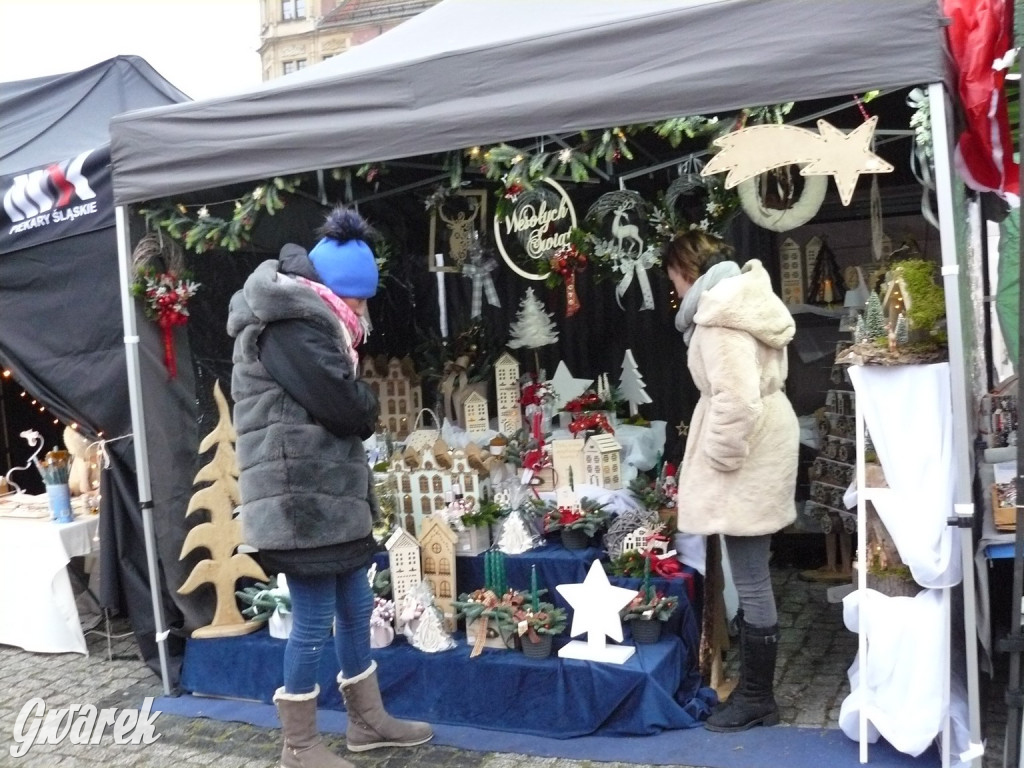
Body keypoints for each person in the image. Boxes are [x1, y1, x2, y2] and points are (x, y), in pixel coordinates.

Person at [227, 206, 432, 768]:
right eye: (358, 299)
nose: (363, 311)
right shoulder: (292, 324)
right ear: (329, 290)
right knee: (315, 614)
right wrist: (364, 404)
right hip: (301, 500)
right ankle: (299, 744)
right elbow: (346, 406)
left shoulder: (312, 321)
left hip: (325, 495)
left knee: (356, 600)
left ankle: (366, 721)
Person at [662, 229, 798, 733]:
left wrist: (718, 461)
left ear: (686, 270)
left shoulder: (718, 317)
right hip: (765, 446)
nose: (672, 288)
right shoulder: (743, 300)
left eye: (672, 276)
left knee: (751, 577)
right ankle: (754, 692)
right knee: (752, 572)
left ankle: (759, 698)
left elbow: (737, 399)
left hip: (746, 457)